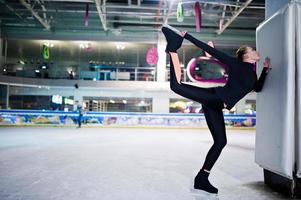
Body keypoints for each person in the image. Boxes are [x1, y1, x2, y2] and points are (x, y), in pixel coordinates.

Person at [161, 26, 272, 195]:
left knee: (220, 142)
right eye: (253, 50)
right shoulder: (236, 64)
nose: (257, 51)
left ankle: (201, 178)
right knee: (176, 86)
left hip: (216, 104)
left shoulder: (252, 73)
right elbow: (209, 50)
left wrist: (265, 70)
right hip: (214, 98)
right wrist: (188, 36)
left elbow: (257, 88)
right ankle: (173, 48)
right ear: (246, 55)